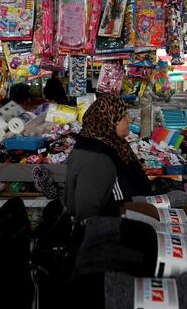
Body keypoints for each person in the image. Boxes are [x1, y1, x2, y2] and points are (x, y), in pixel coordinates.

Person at [64, 94, 151, 222]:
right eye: (123, 116)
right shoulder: (96, 158)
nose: (129, 120)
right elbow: (87, 212)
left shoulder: (111, 146)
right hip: (107, 231)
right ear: (108, 120)